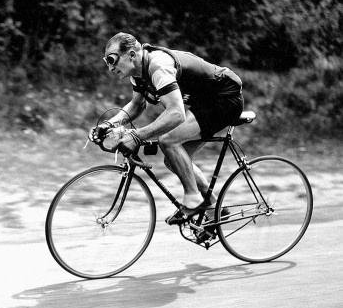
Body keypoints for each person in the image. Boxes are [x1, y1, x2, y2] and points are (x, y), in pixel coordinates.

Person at [88, 32, 244, 224]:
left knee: (169, 141)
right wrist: (110, 124)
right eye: (107, 62)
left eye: (112, 60)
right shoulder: (138, 73)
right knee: (174, 160)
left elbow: (176, 113)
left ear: (131, 54)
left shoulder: (157, 66)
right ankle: (213, 208)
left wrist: (138, 135)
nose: (110, 68)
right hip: (205, 102)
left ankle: (194, 200)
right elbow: (137, 105)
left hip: (225, 99)